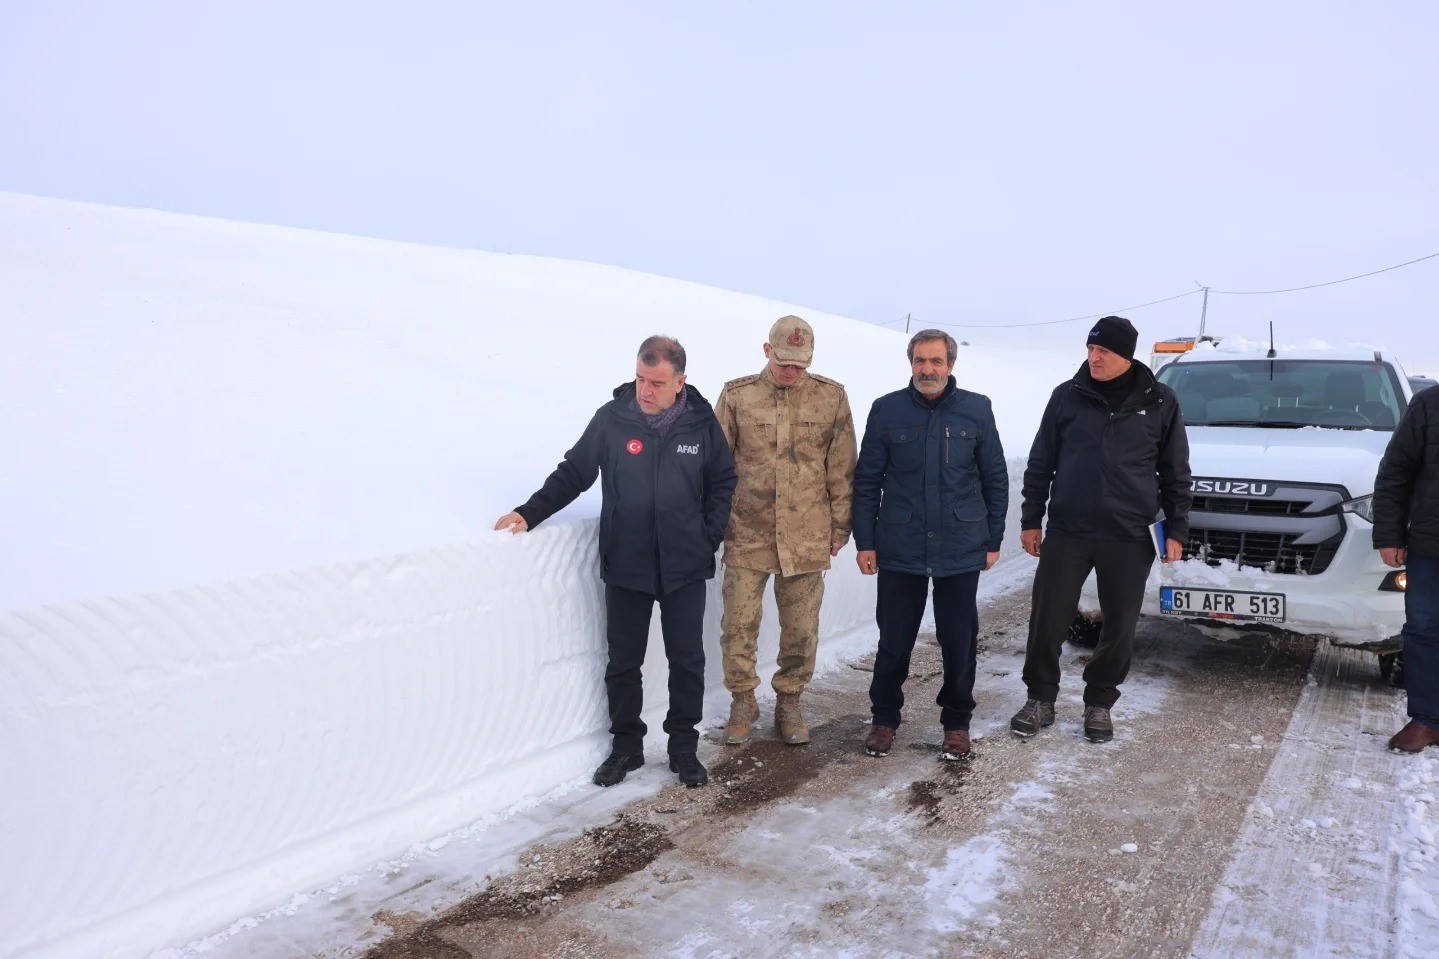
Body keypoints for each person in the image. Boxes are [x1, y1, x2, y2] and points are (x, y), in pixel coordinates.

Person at [495, 335, 737, 787]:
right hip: (628, 563)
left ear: (680, 382)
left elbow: (723, 479)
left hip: (685, 565)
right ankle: (626, 748)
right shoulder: (613, 419)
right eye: (641, 379)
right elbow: (575, 472)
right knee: (623, 661)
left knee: (688, 661)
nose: (646, 390)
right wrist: (529, 512)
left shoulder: (702, 424)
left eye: (657, 383)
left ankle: (683, 748)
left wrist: (708, 537)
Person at [1012, 315, 1191, 743]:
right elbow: (1041, 462)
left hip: (1129, 535)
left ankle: (1099, 702)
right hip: (1069, 530)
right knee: (1048, 619)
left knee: (1119, 624)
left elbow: (1175, 473)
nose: (1093, 358)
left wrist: (1177, 530)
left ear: (1125, 355)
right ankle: (1040, 697)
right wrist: (1031, 519)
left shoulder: (1161, 401)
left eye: (1103, 352)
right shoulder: (1067, 396)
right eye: (1090, 350)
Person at [852, 329, 1009, 761]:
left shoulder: (977, 410)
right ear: (911, 363)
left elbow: (995, 476)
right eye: (920, 360)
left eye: (936, 361)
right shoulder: (887, 410)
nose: (928, 369)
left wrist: (993, 537)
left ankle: (957, 723)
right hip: (900, 545)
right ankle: (884, 718)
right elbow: (867, 481)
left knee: (959, 641)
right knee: (894, 641)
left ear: (951, 365)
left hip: (960, 545)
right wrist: (866, 541)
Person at [713, 316, 857, 745]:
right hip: (748, 532)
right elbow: (717, 468)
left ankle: (789, 701)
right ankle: (743, 700)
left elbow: (842, 468)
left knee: (801, 628)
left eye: (800, 363)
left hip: (807, 533)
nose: (791, 371)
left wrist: (841, 526)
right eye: (783, 362)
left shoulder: (831, 397)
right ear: (766, 351)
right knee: (738, 625)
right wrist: (714, 526)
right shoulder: (737, 396)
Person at [1373, 379, 1439, 752]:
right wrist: (1388, 534)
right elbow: (1395, 471)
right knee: (1425, 630)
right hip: (1431, 545)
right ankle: (1428, 720)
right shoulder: (1429, 404)